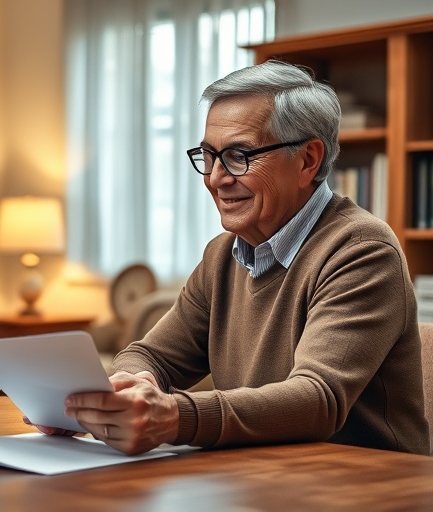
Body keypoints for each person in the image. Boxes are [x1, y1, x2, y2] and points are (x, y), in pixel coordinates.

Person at [58, 60, 430, 455]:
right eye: (209, 155)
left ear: (308, 160)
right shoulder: (222, 255)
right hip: (257, 478)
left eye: (239, 156)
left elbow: (317, 399)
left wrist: (173, 415)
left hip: (364, 486)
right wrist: (120, 394)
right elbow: (149, 355)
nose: (216, 177)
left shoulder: (363, 251)